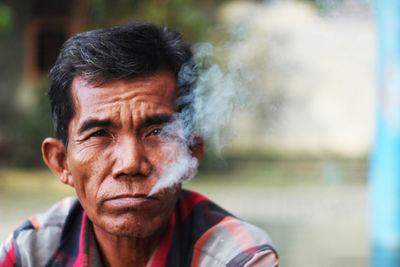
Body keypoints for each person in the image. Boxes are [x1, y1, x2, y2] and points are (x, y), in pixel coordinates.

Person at [0, 22, 278, 267]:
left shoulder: (237, 257)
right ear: (61, 162)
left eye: (157, 132)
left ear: (191, 156)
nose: (131, 163)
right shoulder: (31, 252)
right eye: (98, 134)